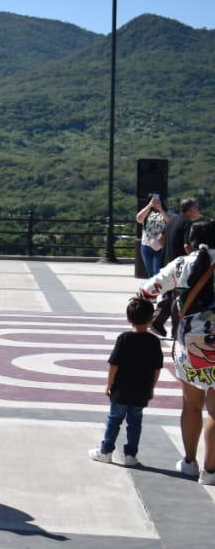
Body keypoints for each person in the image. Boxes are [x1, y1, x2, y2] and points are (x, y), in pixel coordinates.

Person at [138, 219, 215, 482]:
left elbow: (148, 290)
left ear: (187, 244)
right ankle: (211, 471)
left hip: (190, 347)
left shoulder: (181, 264)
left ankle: (190, 462)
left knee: (191, 406)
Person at [89, 296, 164, 468]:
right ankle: (131, 455)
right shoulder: (154, 341)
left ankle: (106, 451)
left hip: (121, 390)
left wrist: (109, 384)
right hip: (142, 390)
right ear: (151, 319)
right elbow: (156, 368)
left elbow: (114, 364)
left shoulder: (124, 338)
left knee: (114, 419)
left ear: (129, 319)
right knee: (135, 422)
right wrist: (152, 388)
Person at [153, 198, 201, 337]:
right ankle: (176, 331)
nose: (198, 211)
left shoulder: (172, 220)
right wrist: (196, 259)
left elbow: (161, 239)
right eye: (197, 208)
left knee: (169, 296)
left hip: (167, 262)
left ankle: (157, 321)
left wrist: (169, 251)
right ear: (191, 209)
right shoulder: (188, 223)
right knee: (178, 298)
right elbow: (187, 246)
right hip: (180, 266)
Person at [136, 194, 170, 278]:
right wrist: (149, 205)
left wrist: (161, 209)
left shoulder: (165, 212)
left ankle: (158, 290)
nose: (156, 202)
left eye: (158, 200)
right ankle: (151, 290)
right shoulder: (147, 212)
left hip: (160, 247)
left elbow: (169, 221)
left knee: (157, 272)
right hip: (146, 245)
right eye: (154, 200)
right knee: (150, 272)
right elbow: (139, 219)